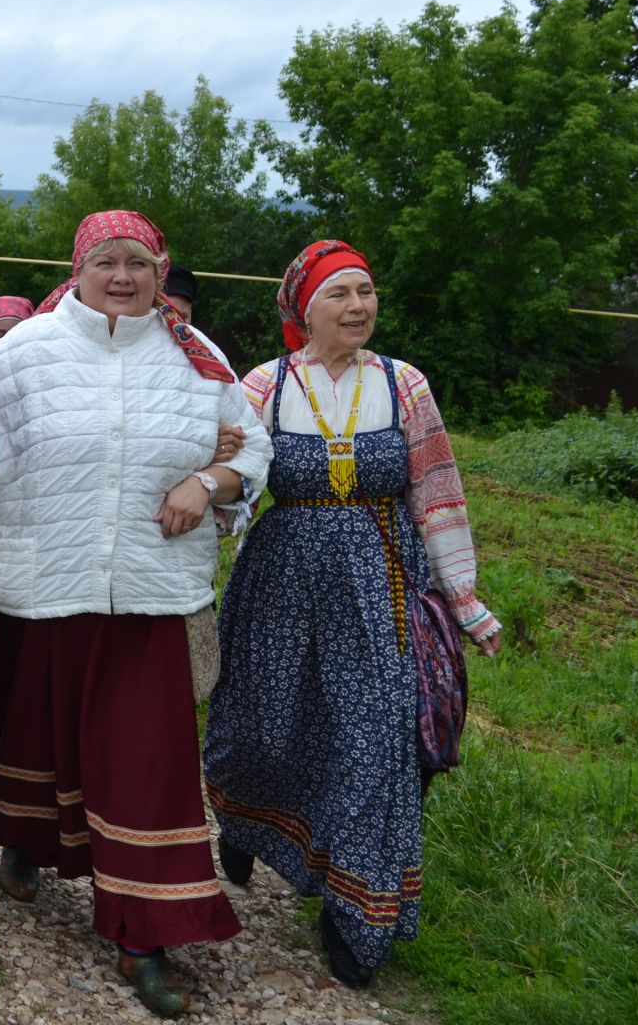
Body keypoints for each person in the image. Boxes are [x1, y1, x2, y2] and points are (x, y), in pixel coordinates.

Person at [0, 211, 272, 1019]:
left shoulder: (197, 362)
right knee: (36, 728)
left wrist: (207, 485)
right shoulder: (23, 353)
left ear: (161, 272)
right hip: (42, 580)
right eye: (108, 262)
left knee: (147, 762)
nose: (124, 277)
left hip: (152, 589)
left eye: (140, 263)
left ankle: (146, 934)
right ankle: (25, 840)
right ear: (79, 268)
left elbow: (252, 448)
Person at [203, 239, 500, 989]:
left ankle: (357, 914)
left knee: (376, 741)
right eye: (341, 295)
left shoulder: (405, 386)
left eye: (366, 292)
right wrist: (213, 500)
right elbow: (235, 489)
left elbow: (436, 488)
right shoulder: (264, 386)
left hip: (380, 589)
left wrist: (463, 598)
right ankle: (246, 822)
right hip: (281, 583)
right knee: (265, 725)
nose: (359, 307)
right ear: (305, 309)